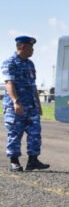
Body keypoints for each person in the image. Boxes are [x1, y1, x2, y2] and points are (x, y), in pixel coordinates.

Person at [2, 36, 49, 172]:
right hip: (15, 106)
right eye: (31, 47)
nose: (33, 50)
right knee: (15, 134)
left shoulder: (30, 64)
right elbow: (9, 84)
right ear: (22, 47)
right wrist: (16, 102)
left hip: (31, 106)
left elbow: (33, 85)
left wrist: (38, 104)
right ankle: (14, 161)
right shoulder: (10, 63)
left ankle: (33, 160)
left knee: (35, 133)